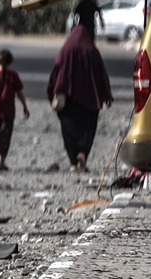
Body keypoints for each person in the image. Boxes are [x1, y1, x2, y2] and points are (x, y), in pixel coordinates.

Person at [47, 24, 113, 173]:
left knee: (69, 131)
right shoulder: (92, 51)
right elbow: (102, 74)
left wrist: (51, 92)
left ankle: (72, 162)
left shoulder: (65, 50)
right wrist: (106, 94)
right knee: (88, 129)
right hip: (90, 99)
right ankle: (83, 154)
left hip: (68, 98)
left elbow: (56, 71)